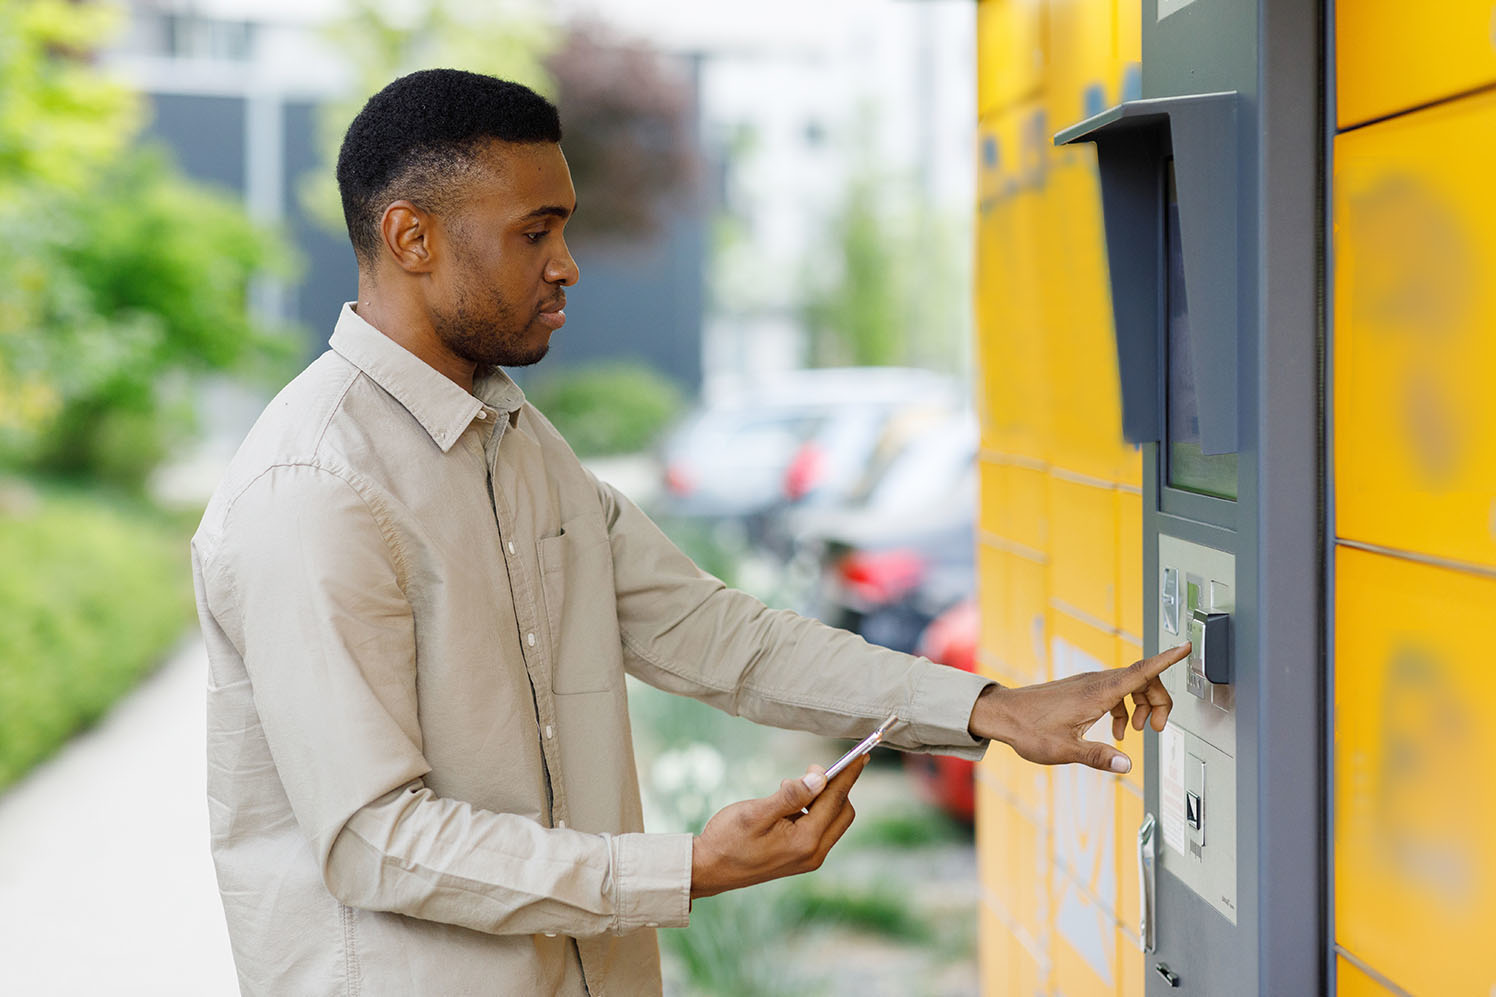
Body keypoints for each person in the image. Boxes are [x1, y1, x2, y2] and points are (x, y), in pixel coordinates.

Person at [190, 69, 1187, 996]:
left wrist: (986, 709)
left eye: (564, 229)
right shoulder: (313, 489)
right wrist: (684, 869)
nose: (567, 265)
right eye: (534, 233)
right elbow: (375, 838)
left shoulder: (515, 442)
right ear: (412, 238)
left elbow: (718, 635)